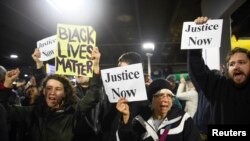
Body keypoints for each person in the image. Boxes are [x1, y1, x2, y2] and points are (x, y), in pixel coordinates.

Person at [0, 47, 102, 141]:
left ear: (65, 93)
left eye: (58, 89)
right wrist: (6, 86)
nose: (52, 92)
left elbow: (93, 97)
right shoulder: (34, 111)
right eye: (49, 88)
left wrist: (95, 67)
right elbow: (5, 111)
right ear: (44, 91)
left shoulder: (73, 111)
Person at [188, 16, 250, 124]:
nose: (236, 67)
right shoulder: (218, 86)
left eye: (241, 62)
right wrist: (197, 36)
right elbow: (197, 69)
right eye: (232, 64)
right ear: (227, 68)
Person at [116, 79, 201, 141]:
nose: (165, 99)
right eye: (160, 95)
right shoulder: (140, 120)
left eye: (169, 95)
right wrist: (126, 116)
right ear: (151, 100)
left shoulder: (184, 120)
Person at [101, 52, 149, 141]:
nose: (119, 73)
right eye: (118, 68)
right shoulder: (111, 93)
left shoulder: (146, 94)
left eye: (124, 70)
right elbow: (106, 122)